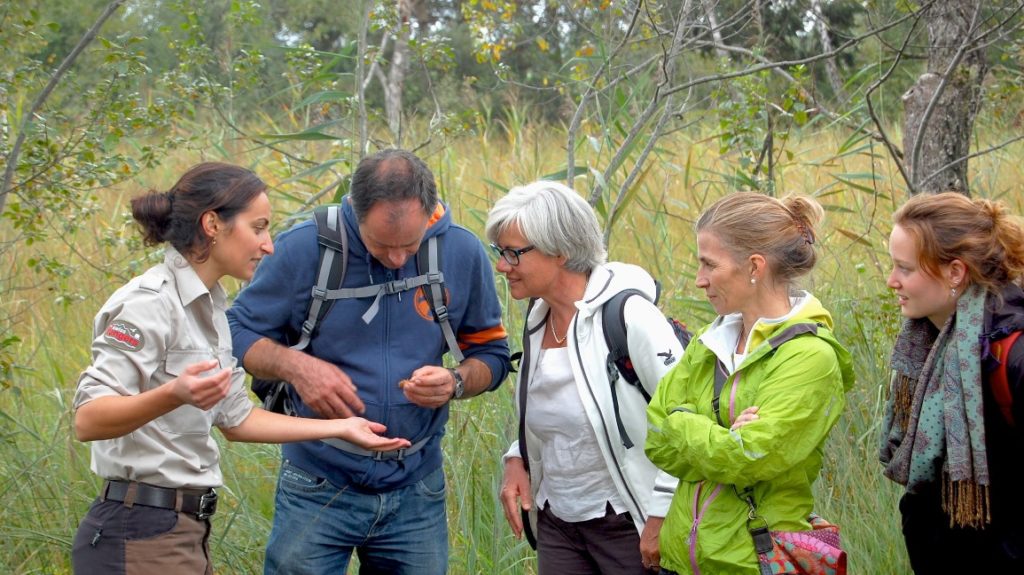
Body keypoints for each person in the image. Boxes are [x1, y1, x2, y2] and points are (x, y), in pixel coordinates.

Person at [71, 162, 409, 575]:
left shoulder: (211, 309)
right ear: (213, 224)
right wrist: (174, 394)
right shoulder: (149, 304)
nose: (268, 246)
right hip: (138, 531)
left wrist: (340, 428)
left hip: (181, 531)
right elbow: (88, 420)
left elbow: (237, 419)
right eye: (259, 227)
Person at [227, 148, 512, 575]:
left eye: (410, 245)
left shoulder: (460, 252)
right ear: (354, 213)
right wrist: (297, 367)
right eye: (381, 245)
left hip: (417, 489)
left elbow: (491, 354)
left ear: (431, 213)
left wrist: (455, 381)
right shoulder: (305, 249)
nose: (398, 259)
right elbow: (235, 332)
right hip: (317, 482)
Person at [644, 191, 854, 574]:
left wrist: (685, 422)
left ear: (755, 266)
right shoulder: (711, 339)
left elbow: (749, 458)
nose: (699, 280)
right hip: (680, 561)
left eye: (710, 265)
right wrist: (722, 435)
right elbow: (657, 438)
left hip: (755, 562)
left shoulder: (810, 356)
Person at [487, 181, 683, 574]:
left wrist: (660, 514)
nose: (502, 265)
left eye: (514, 253)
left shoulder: (630, 317)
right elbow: (567, 409)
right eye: (499, 251)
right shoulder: (538, 317)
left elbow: (686, 419)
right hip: (558, 521)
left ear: (560, 251)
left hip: (628, 522)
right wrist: (518, 455)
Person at [880, 191, 1024, 572]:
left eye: (904, 269)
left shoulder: (1013, 355)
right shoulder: (928, 341)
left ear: (955, 272)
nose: (891, 280)